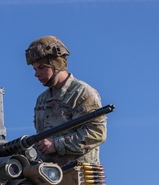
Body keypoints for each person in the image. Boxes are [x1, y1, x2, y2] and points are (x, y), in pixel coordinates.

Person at [25, 35, 107, 166]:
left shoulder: (82, 93)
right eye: (34, 69)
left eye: (41, 67)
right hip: (50, 176)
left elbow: (96, 133)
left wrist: (56, 145)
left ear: (56, 63)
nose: (36, 74)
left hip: (79, 176)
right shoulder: (42, 99)